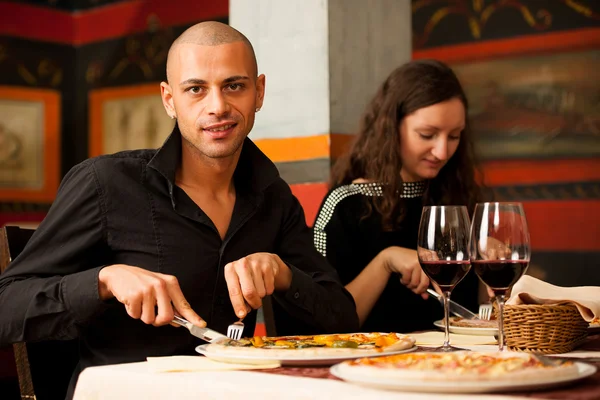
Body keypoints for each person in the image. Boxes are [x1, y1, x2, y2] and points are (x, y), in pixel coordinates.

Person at [0, 21, 358, 398]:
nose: (217, 106)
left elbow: (343, 319)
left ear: (259, 92)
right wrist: (104, 280)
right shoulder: (104, 182)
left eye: (234, 85)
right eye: (196, 90)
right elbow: (6, 305)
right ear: (170, 100)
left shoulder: (274, 198)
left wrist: (283, 274)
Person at [313, 59, 484, 333]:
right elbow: (323, 324)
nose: (441, 152)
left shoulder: (458, 197)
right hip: (371, 367)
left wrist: (490, 265)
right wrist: (385, 261)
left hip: (458, 365)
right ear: (391, 128)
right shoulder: (346, 204)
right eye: (427, 135)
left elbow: (474, 315)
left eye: (454, 136)